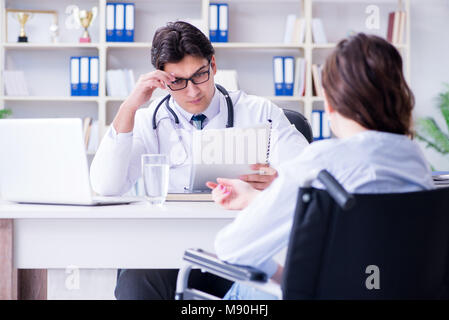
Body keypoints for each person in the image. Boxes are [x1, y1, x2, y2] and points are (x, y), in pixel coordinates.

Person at [206, 33, 435, 299]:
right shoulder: (414, 160)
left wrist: (288, 278)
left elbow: (234, 248)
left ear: (329, 101)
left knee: (242, 289)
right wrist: (259, 198)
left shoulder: (321, 163)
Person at [89, 21, 308, 299]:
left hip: (237, 249)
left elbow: (308, 176)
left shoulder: (259, 112)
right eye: (177, 81)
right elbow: (107, 186)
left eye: (200, 75)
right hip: (166, 251)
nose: (192, 91)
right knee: (135, 285)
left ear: (213, 65)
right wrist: (130, 106)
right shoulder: (148, 120)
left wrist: (278, 180)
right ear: (161, 79)